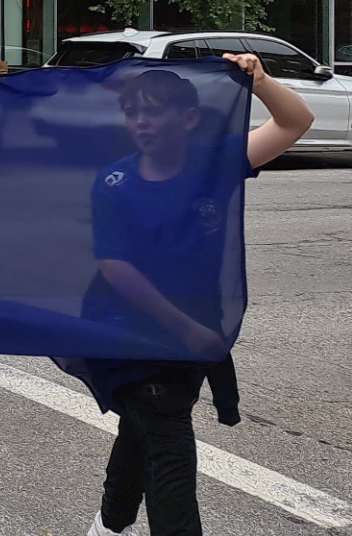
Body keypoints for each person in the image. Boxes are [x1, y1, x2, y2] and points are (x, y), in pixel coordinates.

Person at [71, 54, 310, 536]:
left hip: (195, 333)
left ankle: (109, 525)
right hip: (127, 332)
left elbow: (294, 123)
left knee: (144, 427)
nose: (142, 121)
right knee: (169, 445)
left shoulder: (214, 165)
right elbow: (115, 266)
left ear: (189, 118)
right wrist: (184, 329)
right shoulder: (115, 182)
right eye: (133, 112)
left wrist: (261, 80)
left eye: (154, 110)